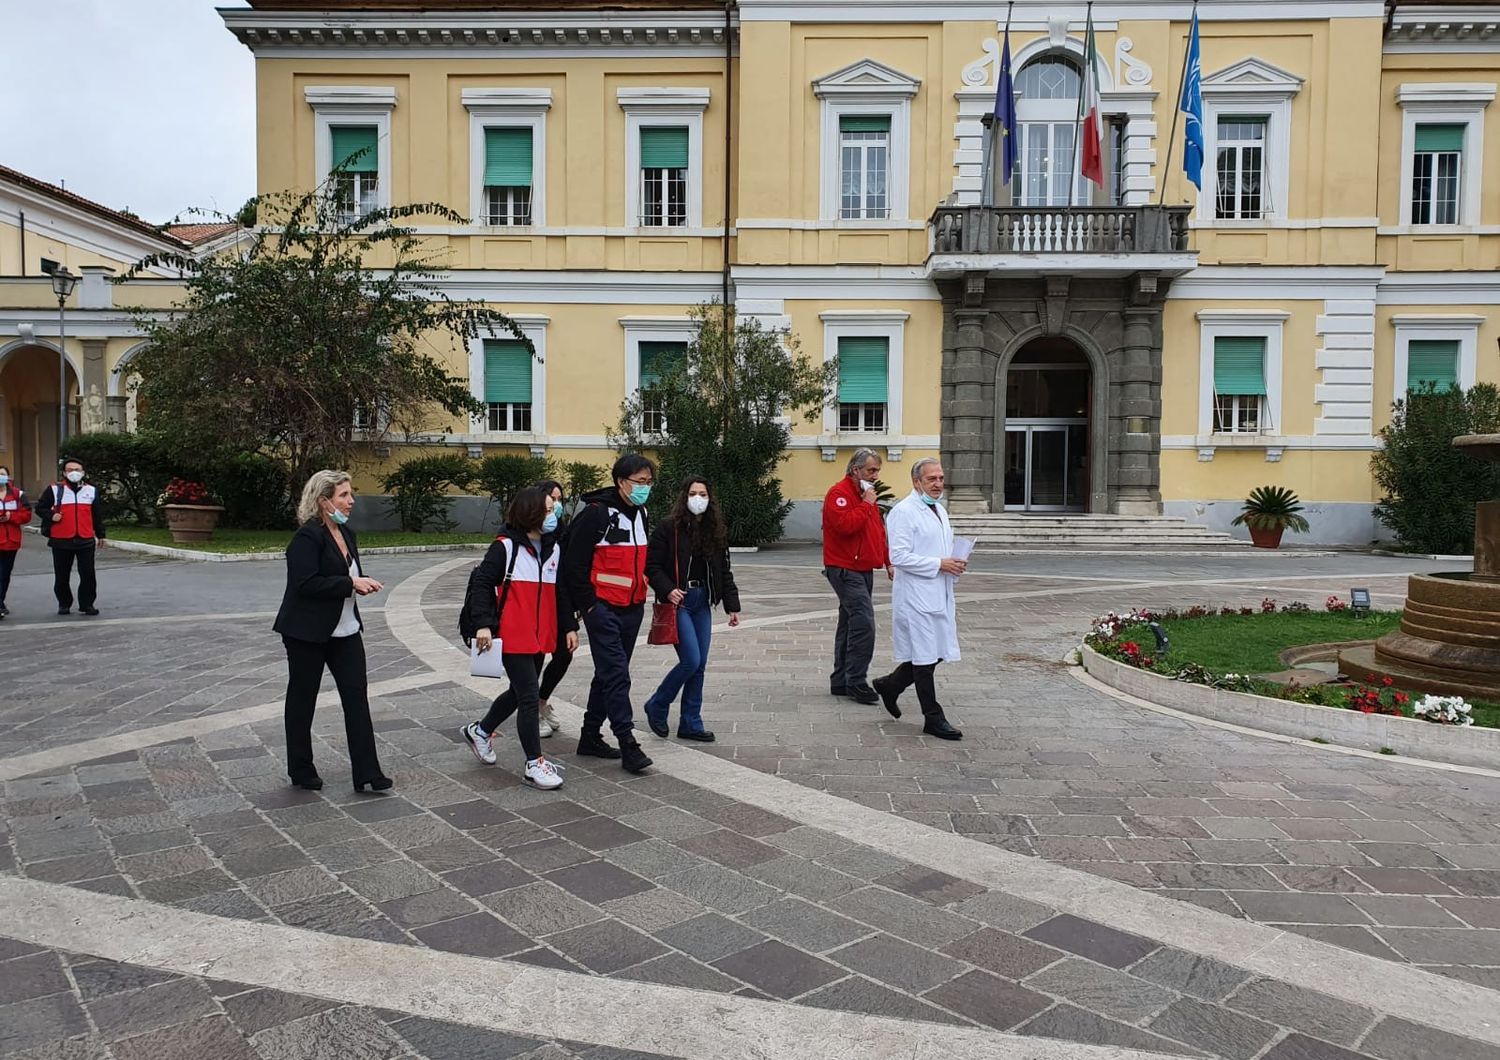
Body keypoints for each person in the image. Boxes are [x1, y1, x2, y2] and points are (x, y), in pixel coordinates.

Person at [272, 470, 392, 792]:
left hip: (346, 631)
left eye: (350, 494)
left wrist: (359, 583)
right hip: (306, 633)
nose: (351, 501)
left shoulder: (347, 534)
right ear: (324, 501)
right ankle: (301, 769)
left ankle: (368, 772)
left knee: (357, 698)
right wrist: (350, 583)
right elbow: (306, 583)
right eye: (343, 495)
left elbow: (346, 574)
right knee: (302, 700)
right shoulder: (307, 538)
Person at [461, 486, 575, 790]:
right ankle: (534, 763)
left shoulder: (554, 549)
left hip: (540, 635)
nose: (554, 516)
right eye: (548, 510)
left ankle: (480, 731)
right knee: (528, 696)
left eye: (554, 509)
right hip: (512, 634)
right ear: (530, 513)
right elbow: (483, 584)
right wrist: (483, 625)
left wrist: (568, 627)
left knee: (517, 692)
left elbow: (560, 593)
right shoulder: (505, 547)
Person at [562, 453, 656, 774]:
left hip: (633, 608)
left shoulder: (641, 513)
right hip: (602, 608)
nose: (645, 488)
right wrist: (589, 605)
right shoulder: (596, 514)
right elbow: (573, 565)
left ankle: (589, 736)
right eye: (639, 482)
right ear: (620, 482)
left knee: (607, 674)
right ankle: (627, 742)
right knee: (617, 674)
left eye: (648, 482)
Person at [642, 477, 741, 742]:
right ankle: (658, 703)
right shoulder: (668, 528)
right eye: (693, 493)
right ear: (684, 497)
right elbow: (651, 565)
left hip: (702, 601)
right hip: (679, 601)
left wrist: (732, 605)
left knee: (700, 666)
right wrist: (667, 589)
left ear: (710, 499)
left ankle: (690, 722)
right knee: (691, 660)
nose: (698, 498)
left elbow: (724, 570)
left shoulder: (715, 530)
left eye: (703, 494)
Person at [872, 458, 965, 740]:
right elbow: (898, 556)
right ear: (916, 482)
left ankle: (890, 684)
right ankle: (933, 718)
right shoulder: (903, 512)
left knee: (936, 652)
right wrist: (939, 563)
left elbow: (940, 546)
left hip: (939, 590)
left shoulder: (939, 509)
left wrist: (955, 561)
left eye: (940, 478)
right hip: (916, 595)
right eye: (931, 479)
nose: (938, 484)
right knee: (925, 657)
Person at [822, 448, 892, 704]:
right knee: (863, 623)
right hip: (844, 568)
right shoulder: (839, 494)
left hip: (862, 568)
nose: (875, 476)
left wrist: (888, 561)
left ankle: (841, 679)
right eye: (871, 470)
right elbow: (845, 526)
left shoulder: (866, 497)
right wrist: (866, 504)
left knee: (850, 623)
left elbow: (878, 533)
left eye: (876, 471)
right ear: (856, 470)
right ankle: (856, 680)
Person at [34, 457, 106, 616]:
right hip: (61, 540)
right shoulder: (54, 489)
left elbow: (96, 515)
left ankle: (87, 604)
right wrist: (51, 515)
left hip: (85, 539)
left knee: (88, 574)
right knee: (62, 575)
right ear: (64, 473)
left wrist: (101, 534)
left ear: (83, 472)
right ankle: (64, 603)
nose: (74, 473)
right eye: (70, 470)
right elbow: (40, 508)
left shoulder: (91, 490)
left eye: (77, 470)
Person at [534, 478, 573, 736]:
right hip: (535, 608)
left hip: (558, 604)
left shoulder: (561, 533)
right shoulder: (526, 535)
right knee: (534, 659)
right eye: (552, 500)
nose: (557, 506)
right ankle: (531, 711)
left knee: (564, 654)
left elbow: (566, 576)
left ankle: (541, 700)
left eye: (560, 500)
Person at [0, 465, 32, 619]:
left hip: (11, 541)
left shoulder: (18, 494)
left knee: (5, 574)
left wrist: (11, 517)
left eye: (2, 474)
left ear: (8, 477)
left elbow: (26, 515)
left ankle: (0, 601)